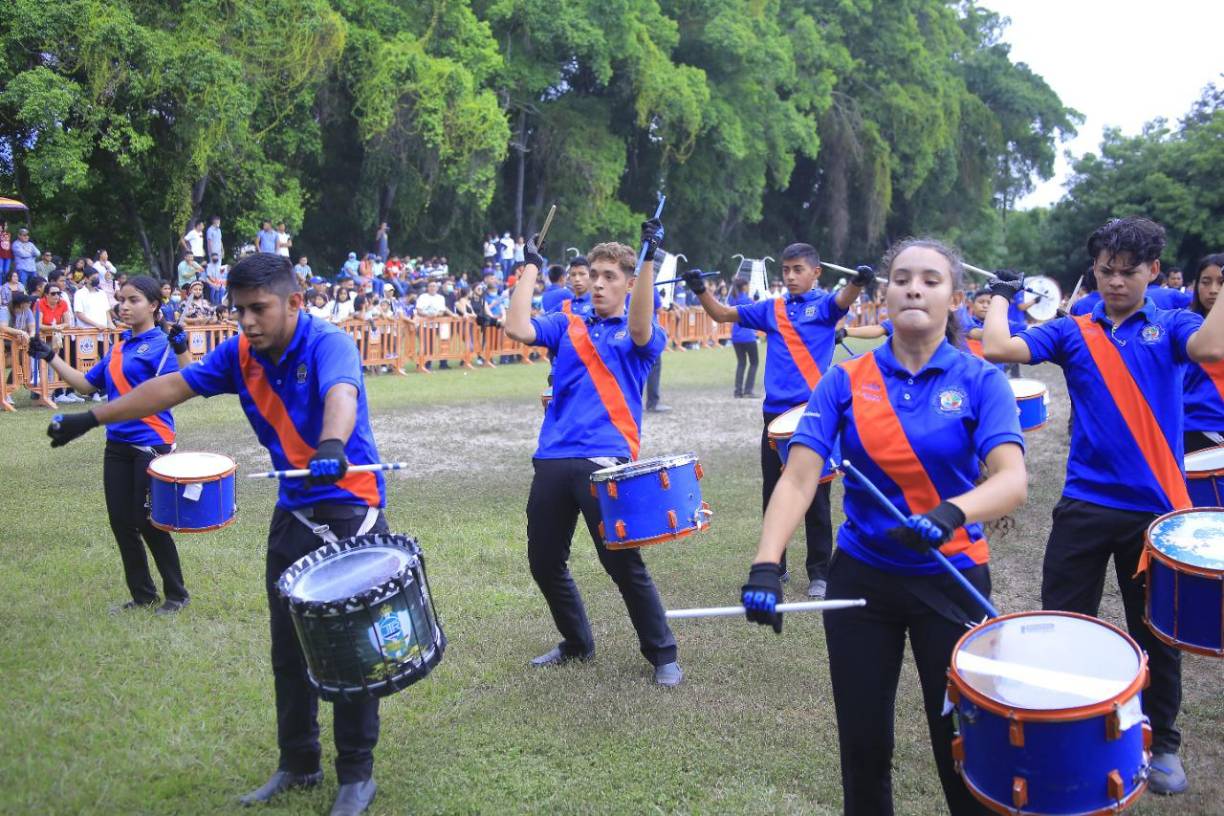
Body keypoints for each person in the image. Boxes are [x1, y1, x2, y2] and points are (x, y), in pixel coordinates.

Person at [46, 253, 390, 816]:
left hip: (351, 510)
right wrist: (92, 418)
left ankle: (356, 774)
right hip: (294, 512)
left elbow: (342, 396)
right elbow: (170, 388)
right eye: (239, 311)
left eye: (259, 309)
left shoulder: (328, 343)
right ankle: (298, 763)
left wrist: (332, 445)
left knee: (348, 649)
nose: (247, 322)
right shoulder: (239, 354)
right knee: (288, 646)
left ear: (294, 303)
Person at [741, 237, 1027, 816]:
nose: (914, 288)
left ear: (955, 297)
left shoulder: (980, 379)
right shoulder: (845, 379)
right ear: (885, 294)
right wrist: (767, 563)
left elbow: (1011, 480)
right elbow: (797, 480)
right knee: (864, 740)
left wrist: (952, 513)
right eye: (901, 278)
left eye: (930, 279)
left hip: (953, 579)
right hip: (862, 580)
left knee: (963, 739)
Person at [982, 216, 1224, 796]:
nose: (1116, 282)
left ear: (1155, 273)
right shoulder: (1072, 330)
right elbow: (996, 346)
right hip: (1085, 505)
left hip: (1157, 510)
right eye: (1106, 270)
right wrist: (998, 296)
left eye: (1129, 272)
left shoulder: (1172, 324)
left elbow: (1211, 346)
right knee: (1062, 625)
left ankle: (1162, 742)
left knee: (1156, 635)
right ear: (1095, 270)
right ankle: (1070, 731)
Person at [504, 222, 683, 687]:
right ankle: (577, 643)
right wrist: (530, 268)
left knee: (622, 563)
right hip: (552, 458)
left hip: (605, 461)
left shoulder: (641, 333)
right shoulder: (568, 322)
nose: (599, 283)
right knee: (544, 561)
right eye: (595, 275)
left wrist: (647, 259)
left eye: (609, 276)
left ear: (627, 282)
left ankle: (663, 653)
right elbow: (517, 327)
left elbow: (641, 324)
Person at [685, 245, 871, 598]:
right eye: (785, 270)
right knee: (774, 492)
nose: (789, 276)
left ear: (816, 272)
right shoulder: (772, 309)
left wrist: (859, 282)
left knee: (816, 494)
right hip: (774, 416)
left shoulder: (826, 306)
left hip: (814, 414)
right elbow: (723, 315)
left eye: (798, 269)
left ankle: (819, 571)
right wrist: (699, 290)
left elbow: (845, 298)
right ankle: (776, 565)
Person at [33, 276, 194, 613]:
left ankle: (177, 594)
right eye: (121, 299)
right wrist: (50, 356)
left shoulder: (163, 342)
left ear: (153, 305)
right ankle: (143, 595)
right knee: (121, 521)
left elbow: (187, 379)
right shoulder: (119, 348)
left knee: (149, 521)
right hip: (117, 444)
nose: (124, 306)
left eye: (133, 300)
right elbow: (86, 385)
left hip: (152, 443)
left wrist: (181, 348)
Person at [1182, 253, 1224, 453]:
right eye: (1206, 282)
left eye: (1221, 282)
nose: (1213, 290)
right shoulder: (1182, 327)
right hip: (1195, 430)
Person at [727, 279, 759, 397]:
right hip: (748, 336)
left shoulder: (732, 299)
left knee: (741, 363)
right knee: (754, 362)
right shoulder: (747, 300)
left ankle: (738, 390)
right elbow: (755, 310)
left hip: (736, 336)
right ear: (744, 287)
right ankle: (748, 390)